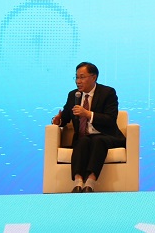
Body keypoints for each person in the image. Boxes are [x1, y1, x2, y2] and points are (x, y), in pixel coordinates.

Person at [51, 61, 125, 193]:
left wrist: (88, 114)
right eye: (76, 77)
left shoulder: (107, 93)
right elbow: (66, 117)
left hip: (106, 135)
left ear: (93, 77)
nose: (78, 81)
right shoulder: (73, 95)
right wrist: (58, 120)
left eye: (82, 77)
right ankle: (78, 182)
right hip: (84, 137)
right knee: (83, 141)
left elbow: (110, 119)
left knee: (97, 140)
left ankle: (90, 182)